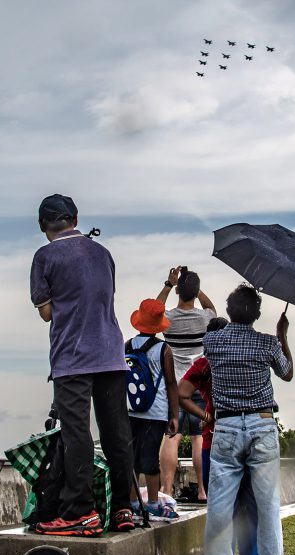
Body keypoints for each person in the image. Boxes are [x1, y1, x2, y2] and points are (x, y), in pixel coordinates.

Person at [29, 193, 136, 535]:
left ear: (43, 225)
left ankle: (79, 511)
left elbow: (47, 312)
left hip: (72, 358)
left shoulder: (44, 256)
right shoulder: (103, 254)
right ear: (75, 218)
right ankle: (123, 508)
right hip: (110, 352)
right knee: (117, 433)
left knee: (77, 434)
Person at [202, 284, 293, 555]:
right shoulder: (267, 343)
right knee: (267, 507)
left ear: (229, 311)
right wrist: (282, 336)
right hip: (262, 425)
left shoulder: (212, 341)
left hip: (226, 427)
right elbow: (287, 372)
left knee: (219, 508)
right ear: (257, 314)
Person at [180, 317, 260, 555]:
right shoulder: (238, 359)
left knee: (219, 507)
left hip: (214, 439)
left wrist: (206, 417)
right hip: (248, 437)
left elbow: (181, 393)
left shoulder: (204, 363)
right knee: (250, 503)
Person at [156, 267, 217, 502]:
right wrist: (196, 288)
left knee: (172, 436)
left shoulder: (168, 319)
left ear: (179, 292)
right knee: (198, 438)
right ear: (195, 292)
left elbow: (155, 310)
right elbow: (212, 308)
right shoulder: (204, 318)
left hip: (175, 384)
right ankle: (202, 490)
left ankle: (167, 489)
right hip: (198, 382)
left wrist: (170, 284)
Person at [125, 299, 180, 520]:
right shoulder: (163, 349)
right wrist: (174, 415)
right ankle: (154, 504)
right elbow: (171, 383)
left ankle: (132, 502)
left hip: (131, 410)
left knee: (133, 459)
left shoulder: (127, 345)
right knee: (150, 460)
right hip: (155, 413)